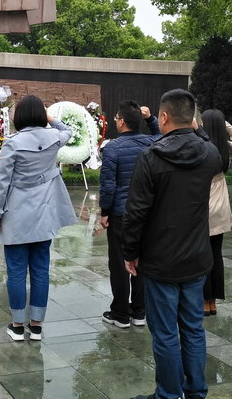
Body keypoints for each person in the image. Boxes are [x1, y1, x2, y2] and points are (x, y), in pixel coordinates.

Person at [123, 89, 222, 399]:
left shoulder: (151, 157)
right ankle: (195, 391)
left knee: (165, 333)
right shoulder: (210, 154)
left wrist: (130, 252)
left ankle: (168, 394)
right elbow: (207, 142)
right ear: (192, 119)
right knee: (192, 328)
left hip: (160, 259)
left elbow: (136, 212)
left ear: (163, 117)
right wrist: (197, 128)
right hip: (196, 256)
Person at [0, 95, 77, 342]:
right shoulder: (53, 137)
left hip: (16, 215)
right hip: (44, 215)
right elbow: (69, 131)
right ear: (41, 115)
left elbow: (3, 182)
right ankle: (36, 325)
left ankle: (18, 325)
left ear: (19, 116)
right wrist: (51, 117)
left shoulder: (13, 143)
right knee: (40, 270)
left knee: (16, 271)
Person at [99, 100, 160, 328]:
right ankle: (140, 311)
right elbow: (161, 135)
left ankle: (120, 314)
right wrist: (150, 119)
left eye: (116, 118)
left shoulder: (112, 148)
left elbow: (108, 185)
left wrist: (104, 211)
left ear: (122, 122)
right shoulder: (150, 143)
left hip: (120, 214)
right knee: (141, 260)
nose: (115, 121)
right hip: (145, 213)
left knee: (119, 264)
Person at [200, 109, 232, 317]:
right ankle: (213, 302)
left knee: (202, 254)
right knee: (216, 254)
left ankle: (203, 300)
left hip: (203, 203)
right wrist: (223, 123)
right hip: (221, 205)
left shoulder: (201, 147)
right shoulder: (227, 148)